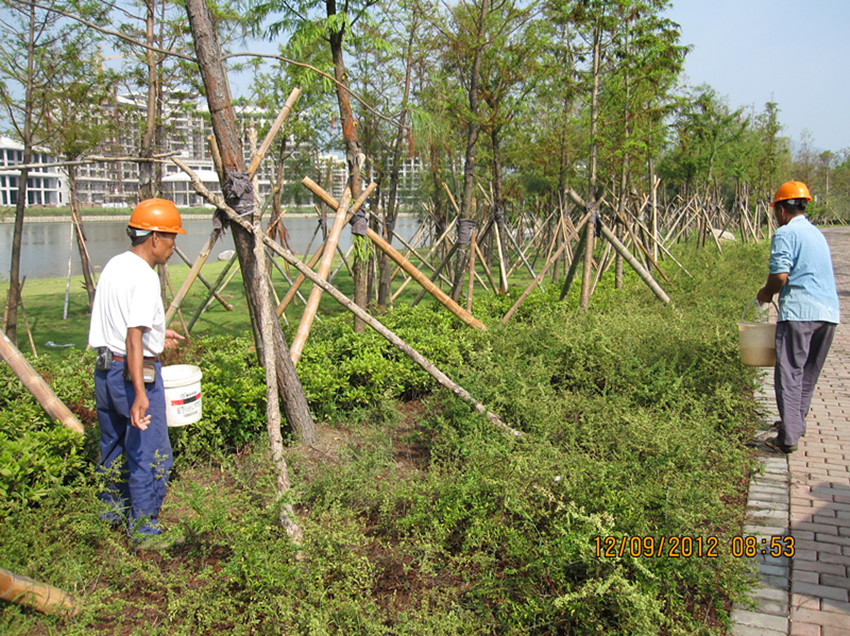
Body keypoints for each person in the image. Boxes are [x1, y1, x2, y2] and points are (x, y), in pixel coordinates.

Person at [89, 198, 187, 546]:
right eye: (172, 237)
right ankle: (143, 531)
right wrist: (142, 395)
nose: (175, 246)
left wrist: (159, 337)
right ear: (155, 237)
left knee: (113, 446)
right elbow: (133, 337)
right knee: (150, 450)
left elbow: (127, 328)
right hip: (134, 376)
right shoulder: (145, 277)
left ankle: (111, 518)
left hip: (105, 372)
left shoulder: (116, 265)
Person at [757, 181, 840, 453]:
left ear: (781, 209)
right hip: (828, 314)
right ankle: (795, 424)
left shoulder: (786, 234)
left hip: (800, 314)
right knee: (807, 374)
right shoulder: (817, 233)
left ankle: (787, 439)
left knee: (790, 372)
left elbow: (780, 276)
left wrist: (766, 294)